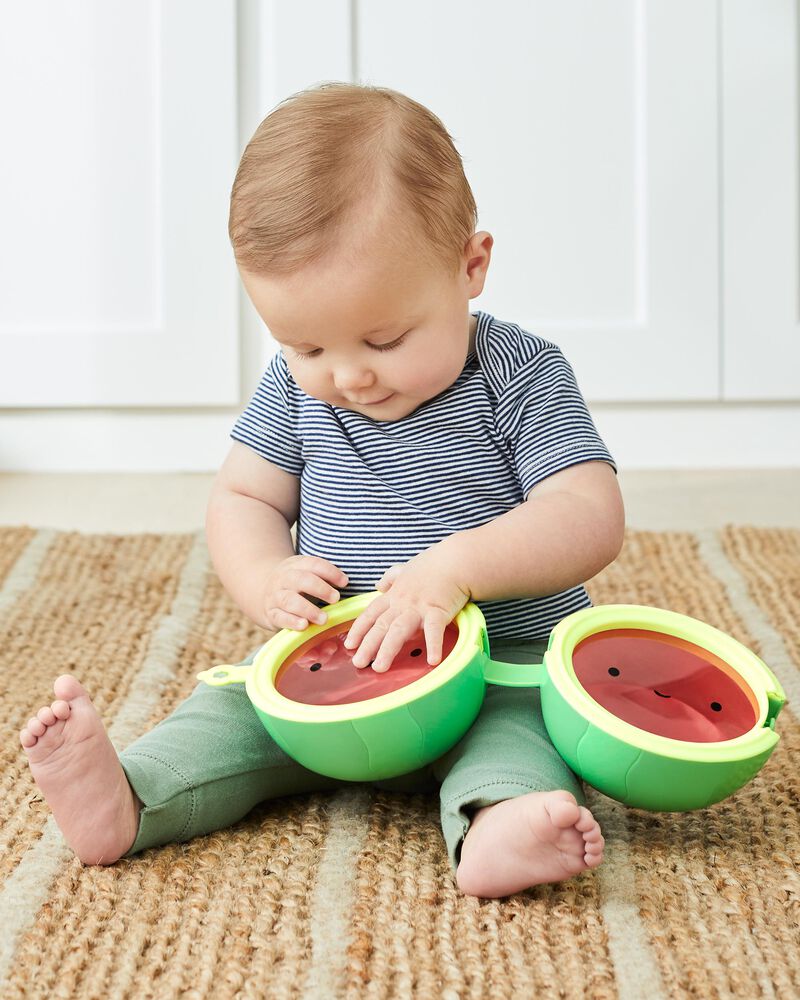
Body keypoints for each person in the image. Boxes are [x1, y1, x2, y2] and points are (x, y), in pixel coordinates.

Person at [20, 82, 624, 899]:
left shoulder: (521, 376)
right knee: (228, 714)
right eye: (304, 345)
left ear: (470, 265)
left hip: (495, 674)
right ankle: (131, 795)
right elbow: (243, 499)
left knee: (528, 739)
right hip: (332, 678)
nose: (345, 375)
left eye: (385, 338)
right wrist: (263, 576)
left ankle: (497, 823)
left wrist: (457, 570)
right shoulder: (296, 390)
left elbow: (589, 516)